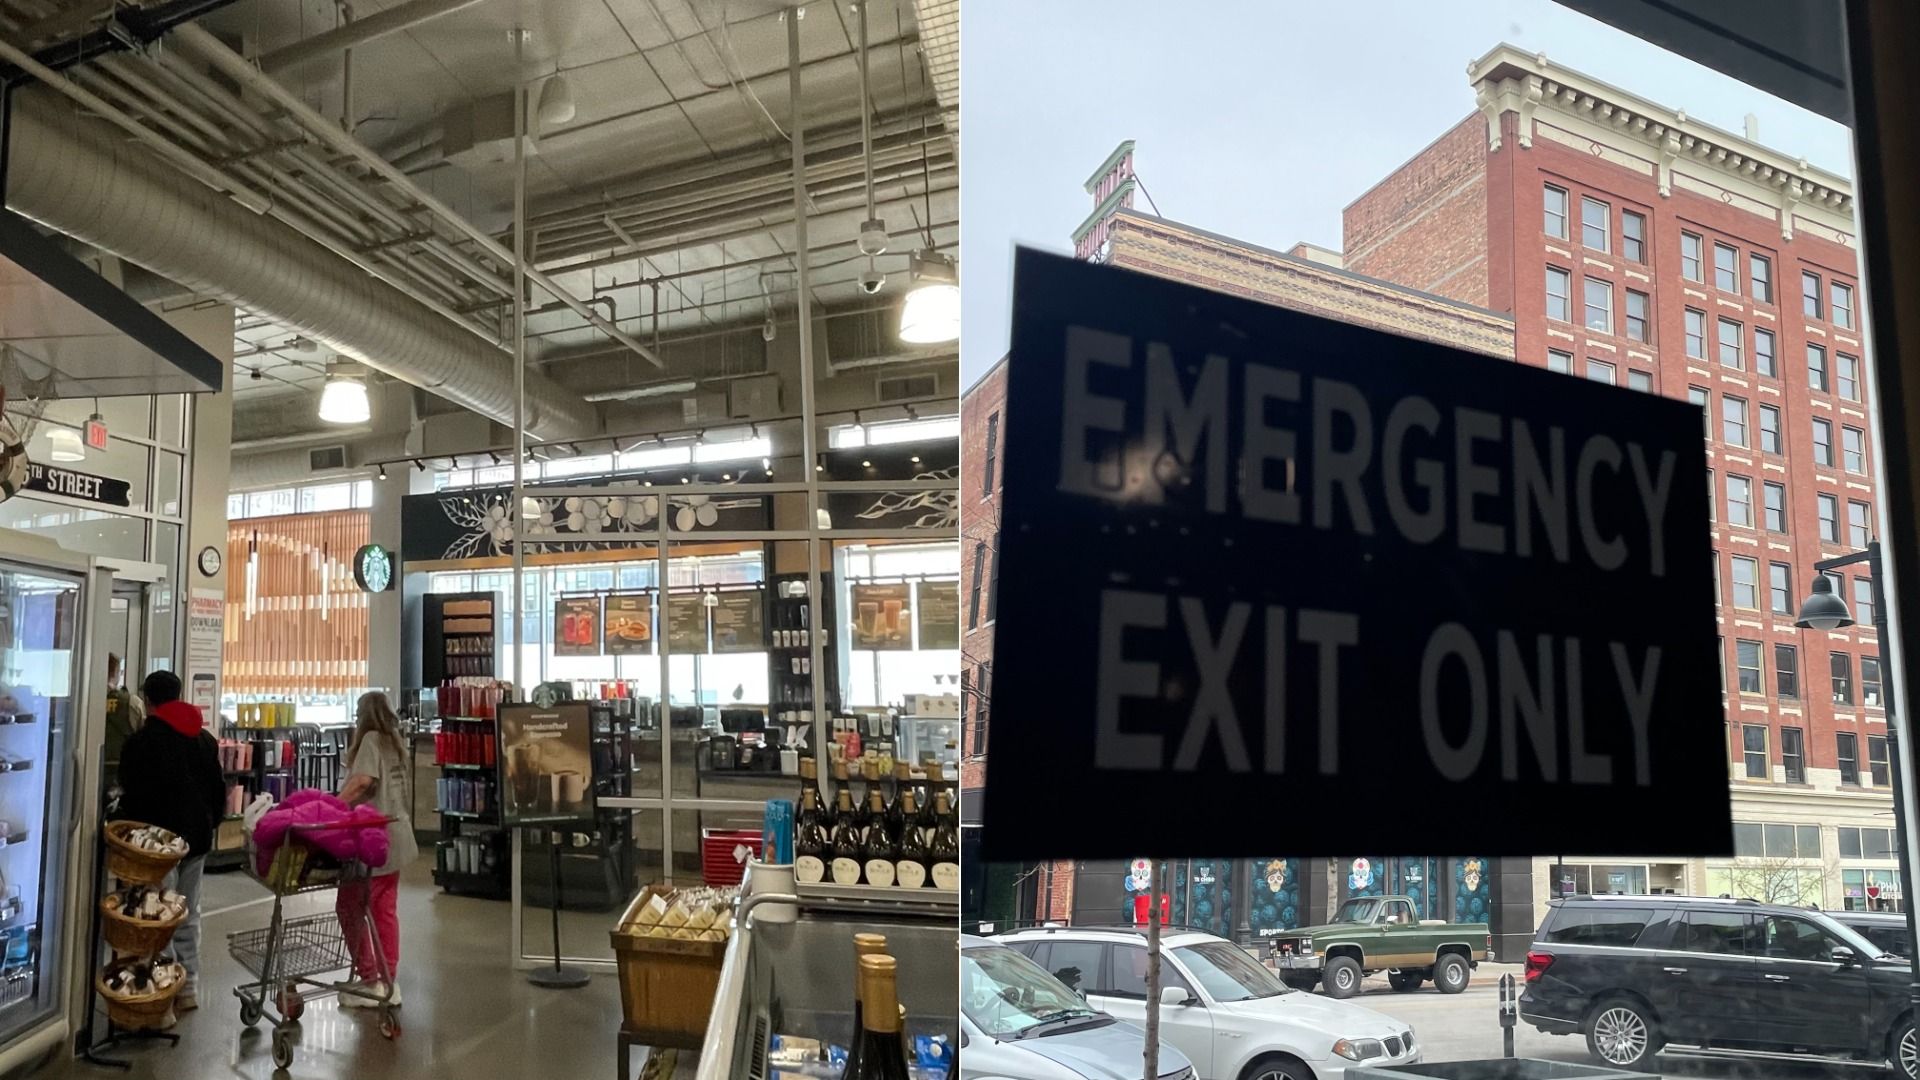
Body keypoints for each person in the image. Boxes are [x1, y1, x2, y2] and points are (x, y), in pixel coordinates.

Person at [117, 670, 223, 1017]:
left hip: (157, 844)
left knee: (156, 915)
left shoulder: (141, 743)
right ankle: (188, 987)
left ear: (147, 701)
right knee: (188, 912)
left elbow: (130, 791)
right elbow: (217, 793)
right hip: (196, 838)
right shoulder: (204, 739)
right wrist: (209, 826)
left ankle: (162, 990)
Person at [335, 691, 417, 1007]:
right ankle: (387, 978)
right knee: (384, 909)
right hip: (397, 834)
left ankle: (370, 979)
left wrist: (331, 805)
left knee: (349, 907)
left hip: (372, 840)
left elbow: (363, 782)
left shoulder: (369, 739)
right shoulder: (394, 742)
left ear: (365, 714)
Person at [101, 653, 141, 776]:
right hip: (122, 767)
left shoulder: (86, 701)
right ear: (116, 673)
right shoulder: (131, 701)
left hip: (92, 764)